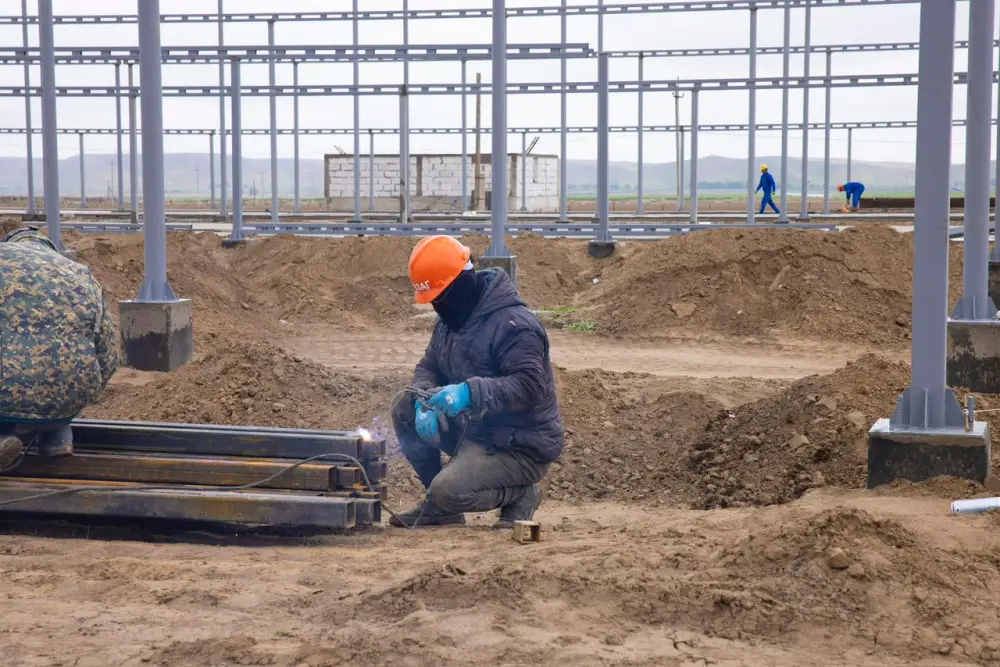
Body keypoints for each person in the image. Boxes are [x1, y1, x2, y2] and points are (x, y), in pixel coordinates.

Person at [390, 236, 564, 529]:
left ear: (460, 283)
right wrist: (423, 399)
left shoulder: (514, 325)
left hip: (519, 444)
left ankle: (521, 492)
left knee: (449, 490)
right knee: (403, 406)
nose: (437, 306)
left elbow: (530, 386)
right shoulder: (450, 322)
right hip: (477, 431)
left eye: (440, 297)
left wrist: (469, 393)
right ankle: (441, 508)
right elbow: (429, 366)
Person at [0, 227, 119, 470]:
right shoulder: (79, 273)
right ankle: (56, 439)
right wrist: (85, 394)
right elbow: (108, 355)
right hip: (66, 397)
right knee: (61, 381)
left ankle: (4, 437)